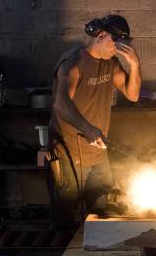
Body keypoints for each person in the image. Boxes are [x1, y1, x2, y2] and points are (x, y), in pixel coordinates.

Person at [46, 14, 141, 227]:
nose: (116, 49)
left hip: (98, 153)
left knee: (100, 217)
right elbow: (60, 104)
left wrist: (134, 65)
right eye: (114, 43)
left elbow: (133, 95)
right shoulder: (72, 64)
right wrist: (88, 129)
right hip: (68, 153)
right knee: (66, 219)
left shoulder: (111, 64)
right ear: (100, 35)